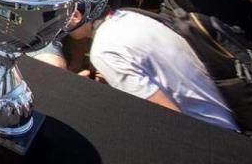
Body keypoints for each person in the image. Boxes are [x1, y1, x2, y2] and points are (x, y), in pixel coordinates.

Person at [89, 10, 239, 132]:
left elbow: (165, 118)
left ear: (77, 16)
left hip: (212, 135)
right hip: (229, 114)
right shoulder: (130, 15)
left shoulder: (103, 52)